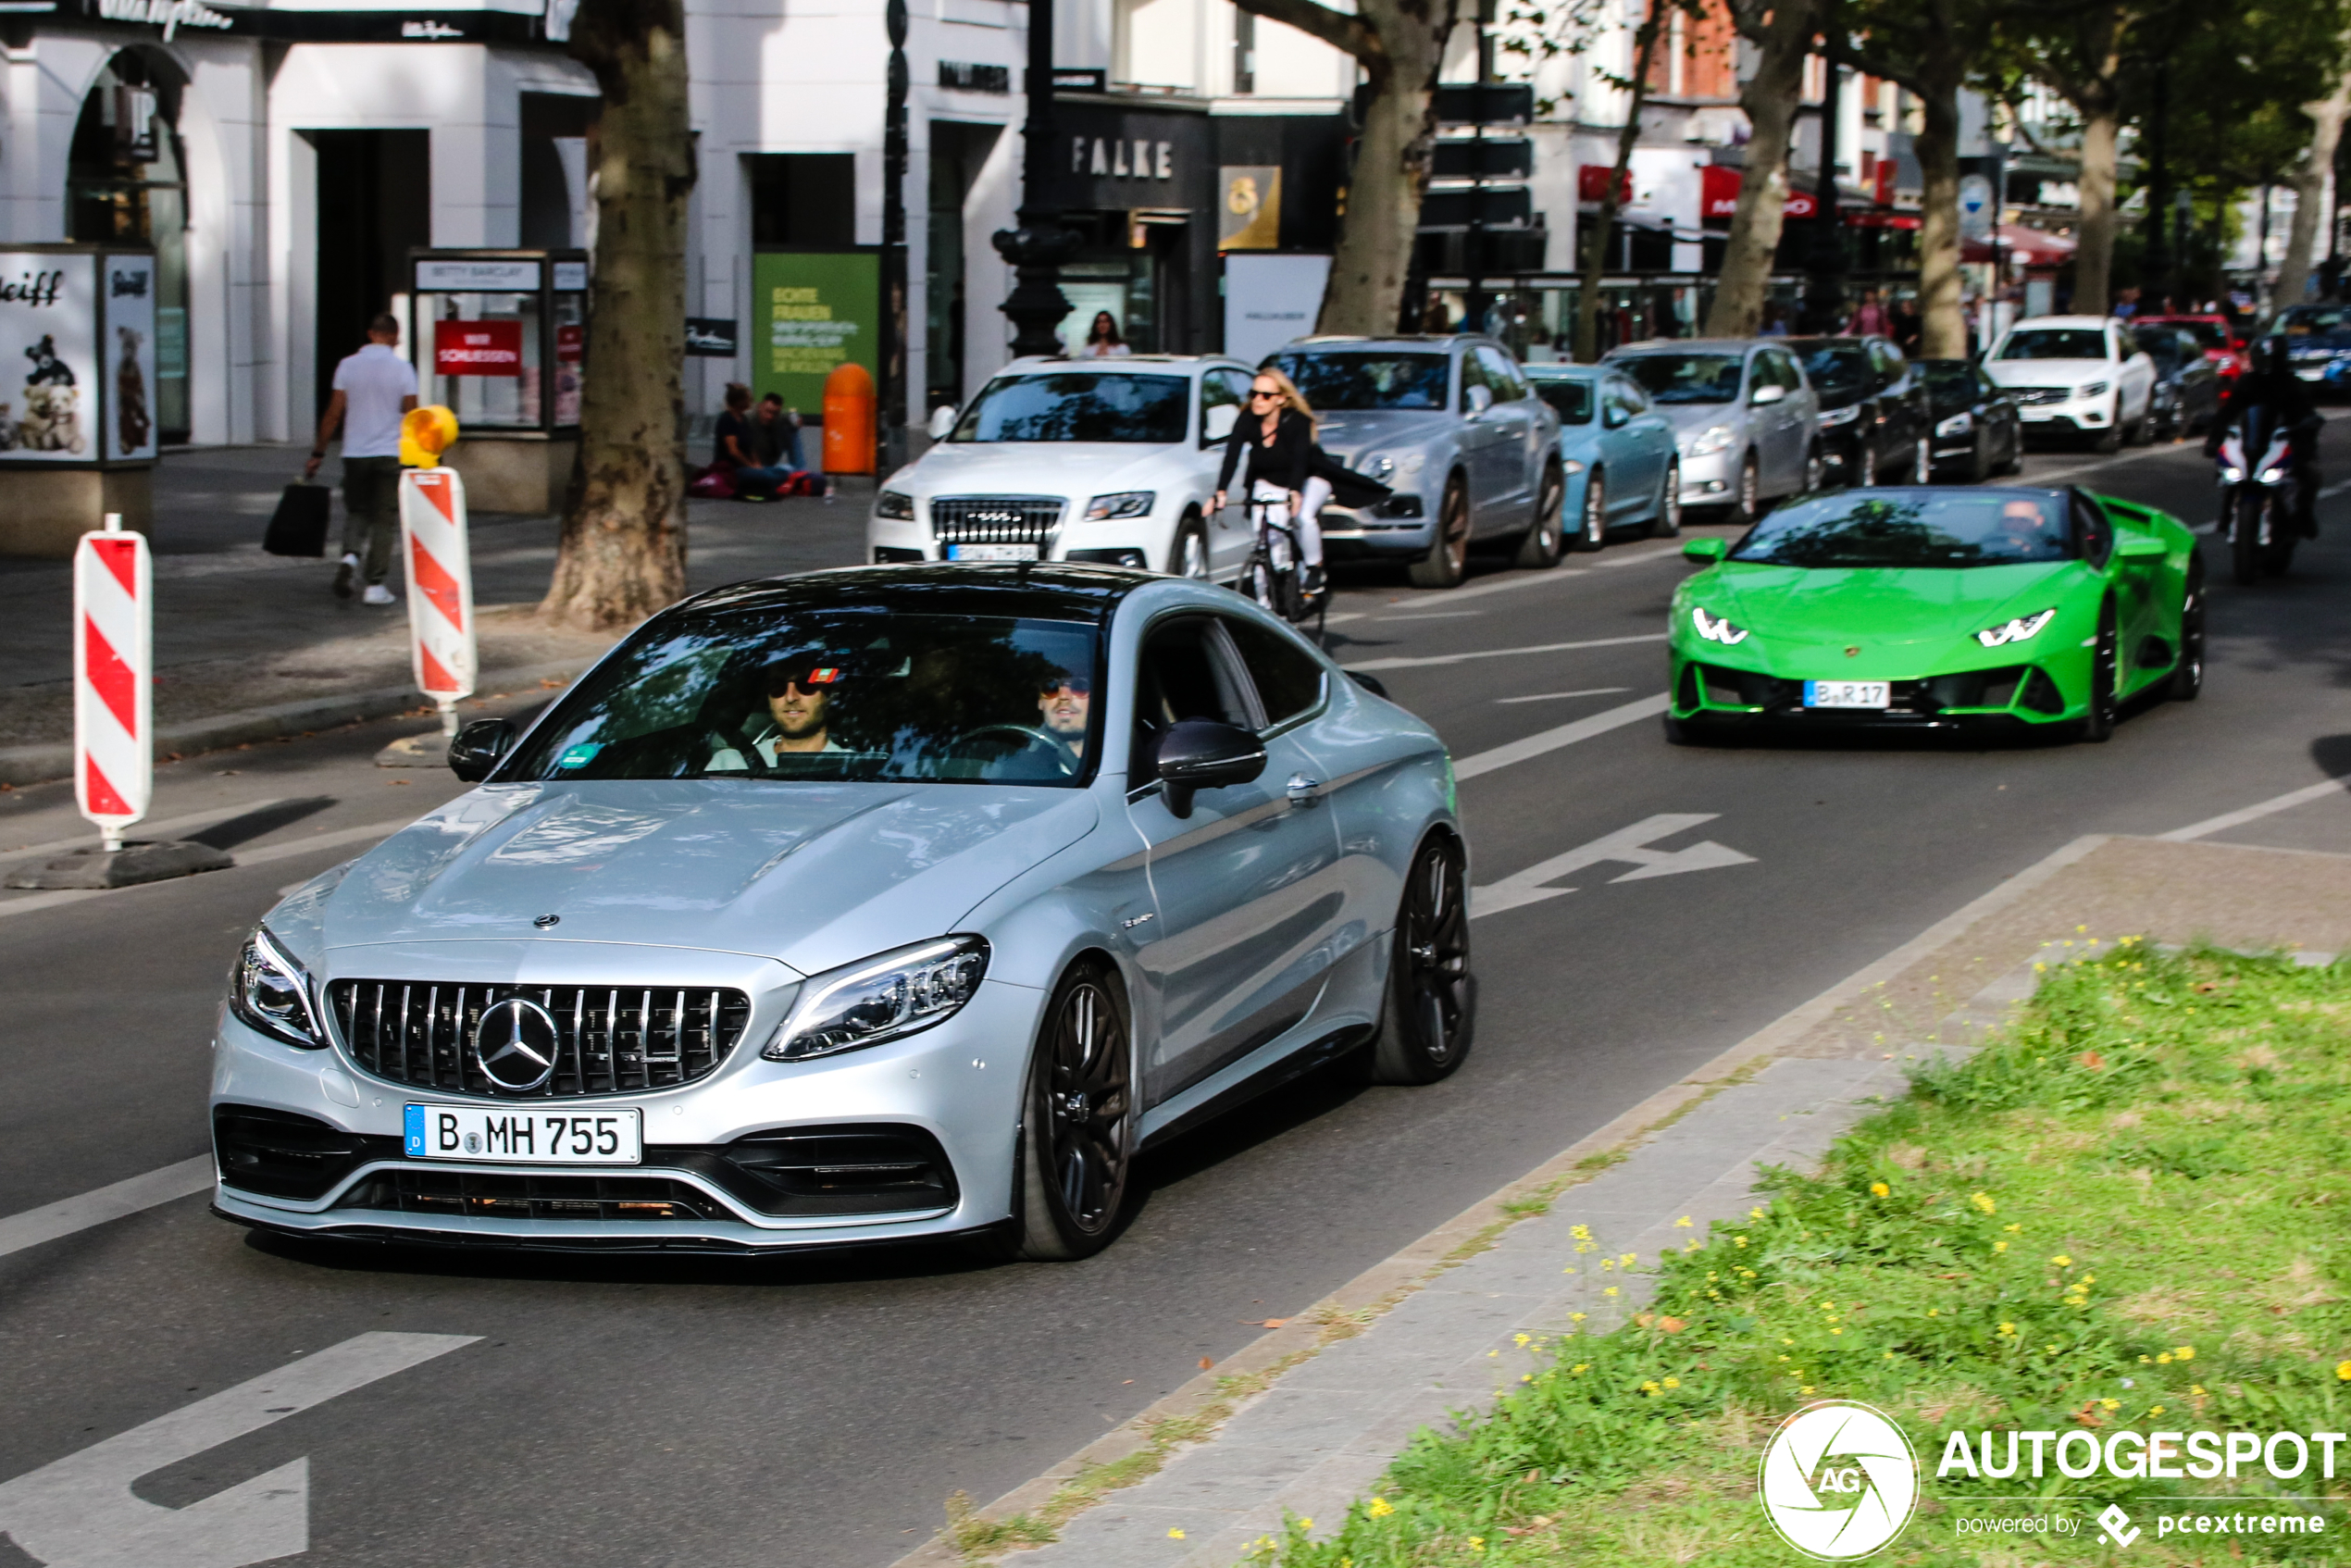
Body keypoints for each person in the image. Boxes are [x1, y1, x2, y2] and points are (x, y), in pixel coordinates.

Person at [1210, 367, 1388, 596]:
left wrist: (1295, 492)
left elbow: (1300, 461)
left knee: (1302, 516)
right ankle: (1267, 606)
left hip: (1310, 477)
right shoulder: (1247, 420)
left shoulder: (1298, 421)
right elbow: (1232, 456)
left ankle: (1314, 567)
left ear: (1281, 399)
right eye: (1253, 394)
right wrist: (1221, 492)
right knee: (1264, 544)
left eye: (1265, 395)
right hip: (1270, 480)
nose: (1257, 400)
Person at [305, 312, 418, 604]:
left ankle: (350, 558)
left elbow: (333, 414)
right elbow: (413, 415)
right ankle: (375, 586)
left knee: (357, 511)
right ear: (395, 336)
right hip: (389, 454)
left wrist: (318, 453)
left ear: (370, 334)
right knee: (383, 520)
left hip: (354, 452)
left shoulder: (347, 366)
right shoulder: (403, 369)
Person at [2206, 335, 2321, 535]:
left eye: (2272, 360)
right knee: (2225, 472)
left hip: (2284, 441)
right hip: (2252, 441)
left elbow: (2306, 413)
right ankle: (2226, 514)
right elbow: (2228, 412)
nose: (2268, 366)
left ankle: (2304, 515)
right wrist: (2214, 439)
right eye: (2264, 359)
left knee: (2310, 476)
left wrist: (2306, 434)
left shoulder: (2292, 384)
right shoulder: (2247, 382)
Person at [711, 660, 848, 769]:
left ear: (830, 696)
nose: (790, 697)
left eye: (806, 685)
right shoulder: (730, 763)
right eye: (777, 687)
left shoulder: (854, 767)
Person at [716, 382, 794, 499]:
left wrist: (757, 463)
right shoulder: (727, 420)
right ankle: (760, 484)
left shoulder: (743, 419)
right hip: (733, 470)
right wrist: (750, 465)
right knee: (766, 476)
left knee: (783, 473)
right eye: (749, 398)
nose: (751, 400)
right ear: (740, 402)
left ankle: (761, 484)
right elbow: (733, 451)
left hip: (748, 467)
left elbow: (751, 446)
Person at [1036, 673, 1091, 765]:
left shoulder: (1120, 758)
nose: (1063, 696)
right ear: (1040, 702)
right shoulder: (1013, 761)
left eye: (1079, 687)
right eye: (1051, 688)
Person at [754, 392, 806, 473]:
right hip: (755, 463)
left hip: (770, 461)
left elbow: (787, 416)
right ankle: (799, 470)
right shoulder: (749, 419)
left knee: (792, 429)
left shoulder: (779, 418)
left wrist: (795, 421)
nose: (770, 416)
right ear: (761, 407)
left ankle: (800, 471)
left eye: (775, 413)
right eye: (767, 412)